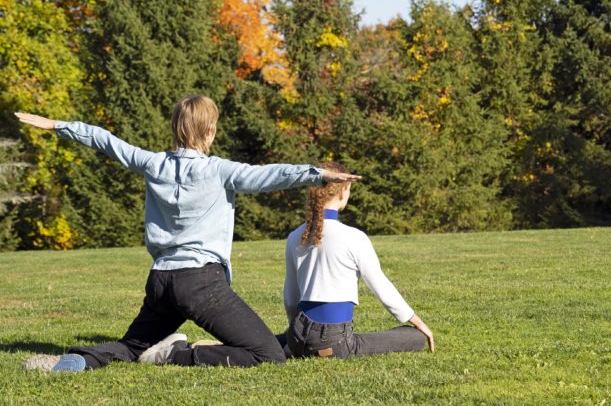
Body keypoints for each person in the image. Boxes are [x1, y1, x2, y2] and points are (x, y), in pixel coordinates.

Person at [16, 96, 360, 373]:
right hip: (200, 283)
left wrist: (58, 125)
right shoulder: (220, 170)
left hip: (162, 281)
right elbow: (270, 175)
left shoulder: (153, 163)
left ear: (176, 128)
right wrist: (318, 174)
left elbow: (105, 141)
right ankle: (175, 355)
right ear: (209, 131)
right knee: (268, 353)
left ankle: (76, 362)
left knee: (131, 346)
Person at [280, 161, 434, 359]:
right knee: (415, 337)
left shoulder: (295, 236)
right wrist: (418, 323)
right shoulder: (353, 237)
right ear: (343, 192)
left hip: (297, 338)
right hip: (334, 342)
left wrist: (298, 335)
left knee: (284, 342)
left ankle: (284, 346)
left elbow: (290, 299)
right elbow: (381, 287)